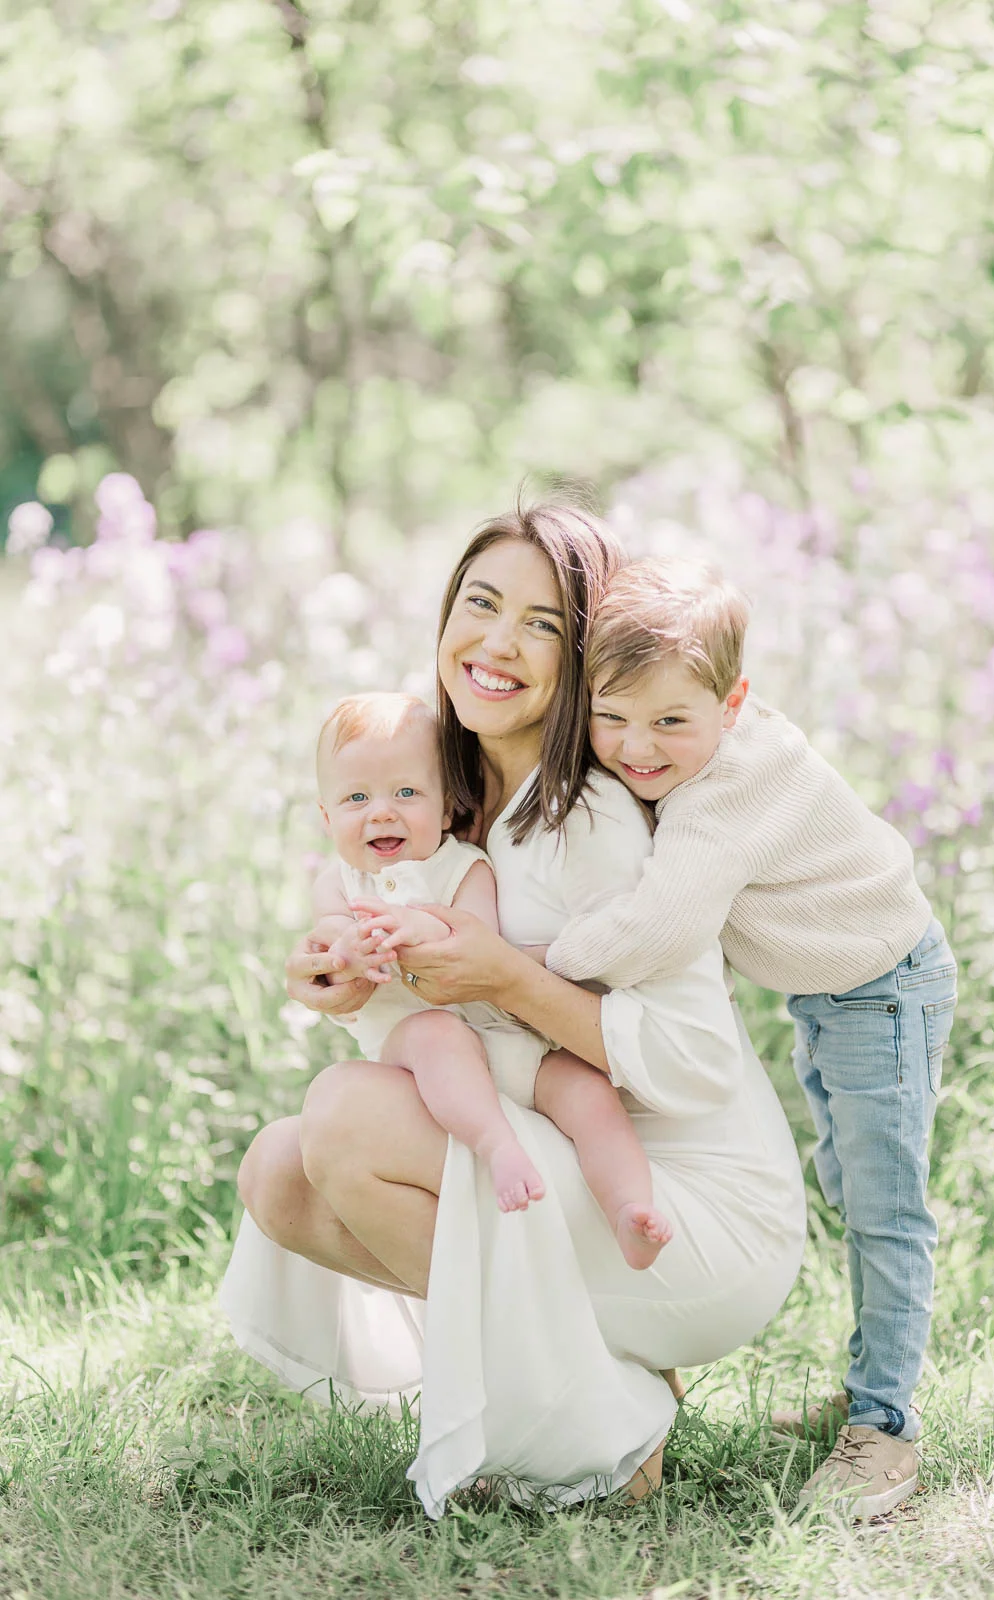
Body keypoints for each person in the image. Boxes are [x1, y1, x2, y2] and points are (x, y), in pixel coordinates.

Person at [219, 501, 807, 1517]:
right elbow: (400, 962)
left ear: (580, 658)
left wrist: (501, 975)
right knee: (279, 1174)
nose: (498, 641)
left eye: (540, 623)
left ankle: (601, 1428)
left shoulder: (592, 818)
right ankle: (610, 1388)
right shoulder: (432, 788)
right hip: (565, 1155)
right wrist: (340, 976)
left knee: (346, 1118)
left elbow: (694, 1058)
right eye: (481, 603)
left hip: (683, 1203)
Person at [544, 557, 958, 1520]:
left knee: (885, 1205)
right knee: (847, 1185)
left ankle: (886, 1428)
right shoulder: (711, 750)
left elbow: (658, 930)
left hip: (884, 988)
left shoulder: (729, 790)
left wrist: (538, 964)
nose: (636, 748)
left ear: (732, 702)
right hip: (834, 994)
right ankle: (869, 1384)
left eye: (670, 723)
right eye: (611, 718)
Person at [310, 688, 674, 1262]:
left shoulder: (463, 865)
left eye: (407, 793)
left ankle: (631, 1209)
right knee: (439, 1034)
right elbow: (329, 944)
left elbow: (473, 939)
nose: (382, 812)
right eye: (356, 798)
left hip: (507, 1044)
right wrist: (347, 955)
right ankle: (496, 1146)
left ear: (448, 806)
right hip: (417, 1058)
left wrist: (416, 927)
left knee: (588, 1092)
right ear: (327, 817)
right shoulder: (339, 883)